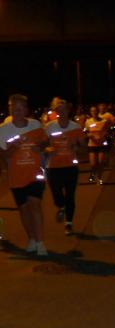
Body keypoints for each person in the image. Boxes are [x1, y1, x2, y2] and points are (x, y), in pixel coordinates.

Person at [0, 94, 49, 255]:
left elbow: (45, 141)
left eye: (21, 108)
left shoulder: (35, 124)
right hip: (16, 176)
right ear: (10, 109)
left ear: (26, 109)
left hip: (35, 173)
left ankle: (40, 242)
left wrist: (40, 146)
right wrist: (14, 146)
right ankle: (32, 239)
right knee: (24, 209)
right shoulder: (3, 130)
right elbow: (4, 156)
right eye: (14, 108)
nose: (18, 111)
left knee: (35, 204)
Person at [45, 100, 85, 235]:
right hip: (53, 166)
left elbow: (84, 147)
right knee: (56, 193)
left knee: (70, 196)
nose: (61, 112)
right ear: (56, 112)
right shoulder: (49, 127)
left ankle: (68, 223)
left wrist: (77, 147)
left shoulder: (76, 127)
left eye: (64, 110)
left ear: (68, 111)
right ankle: (61, 206)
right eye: (58, 110)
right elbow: (43, 144)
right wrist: (47, 149)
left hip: (70, 166)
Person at [84, 105, 110, 184]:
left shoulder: (104, 121)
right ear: (90, 112)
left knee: (101, 162)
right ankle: (93, 173)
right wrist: (89, 135)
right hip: (92, 144)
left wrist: (104, 134)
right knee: (93, 163)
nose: (94, 112)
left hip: (101, 144)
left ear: (98, 111)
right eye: (92, 111)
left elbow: (108, 131)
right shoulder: (88, 121)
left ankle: (99, 178)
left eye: (95, 111)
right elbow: (85, 131)